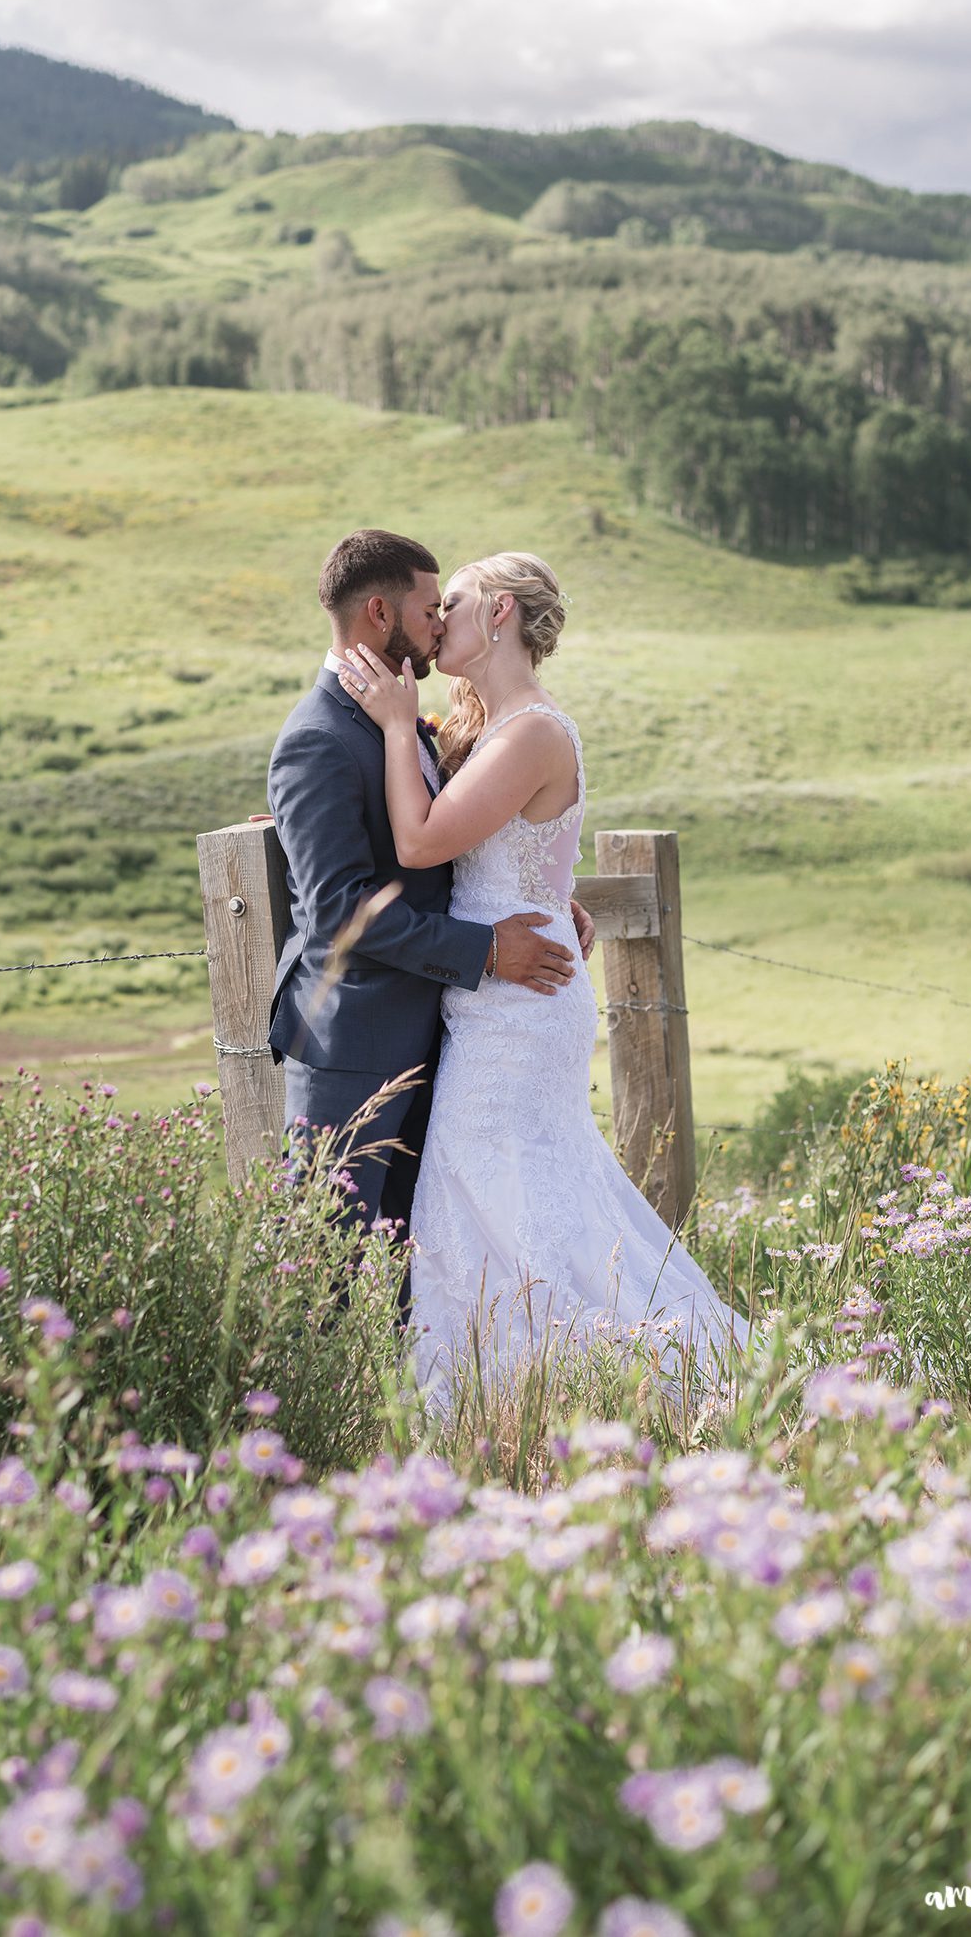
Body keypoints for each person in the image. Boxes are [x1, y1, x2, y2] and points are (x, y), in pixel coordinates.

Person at [337, 550, 750, 1390]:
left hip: (518, 1010)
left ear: (499, 614)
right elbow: (490, 858)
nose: (437, 618)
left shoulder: (529, 732)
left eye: (453, 602)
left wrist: (389, 724)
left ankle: (596, 1378)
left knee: (496, 1190)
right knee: (497, 1193)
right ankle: (513, 1392)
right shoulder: (491, 726)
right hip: (500, 992)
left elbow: (421, 842)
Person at [267, 530, 597, 1296]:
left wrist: (545, 898)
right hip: (352, 1044)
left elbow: (468, 839)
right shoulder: (318, 738)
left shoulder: (411, 726)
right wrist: (486, 948)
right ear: (380, 613)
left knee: (440, 1261)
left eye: (450, 606)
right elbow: (339, 911)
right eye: (429, 608)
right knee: (323, 1270)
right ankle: (315, 1415)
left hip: (447, 1035)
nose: (441, 622)